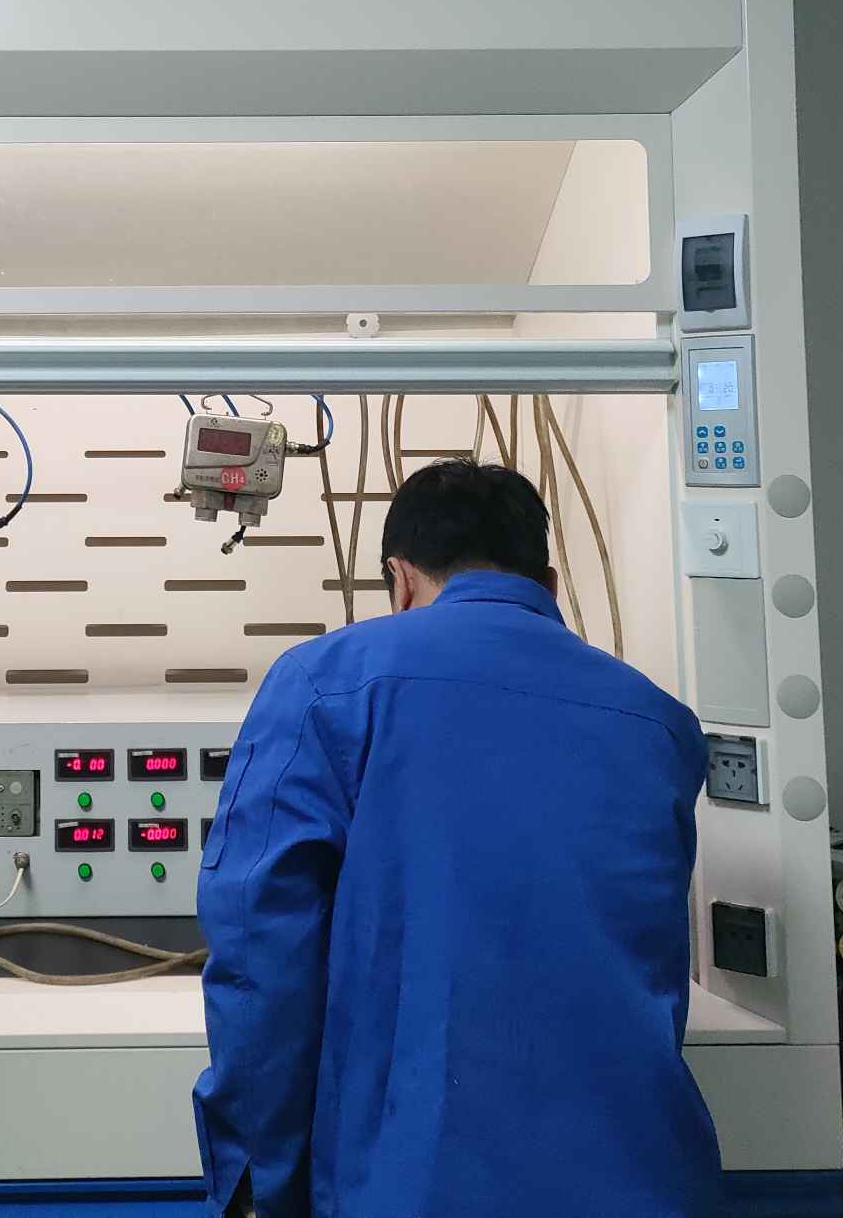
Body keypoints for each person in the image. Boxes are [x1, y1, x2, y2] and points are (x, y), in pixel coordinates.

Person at [193, 458, 721, 1217]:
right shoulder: (659, 721)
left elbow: (260, 945)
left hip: (416, 1184)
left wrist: (258, 1173)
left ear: (399, 578)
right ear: (549, 584)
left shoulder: (324, 683)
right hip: (650, 1177)